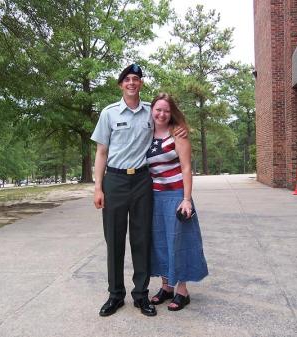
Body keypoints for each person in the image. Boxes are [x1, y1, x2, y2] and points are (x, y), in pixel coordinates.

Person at [92, 64, 173, 317]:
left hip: (141, 181)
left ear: (141, 83)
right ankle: (115, 295)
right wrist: (98, 188)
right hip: (114, 181)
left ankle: (141, 295)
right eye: (127, 79)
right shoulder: (109, 113)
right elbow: (101, 152)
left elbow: (169, 123)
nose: (131, 83)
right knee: (114, 240)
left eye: (136, 79)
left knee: (141, 239)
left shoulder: (151, 111)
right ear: (120, 85)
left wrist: (180, 130)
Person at [146, 93, 208, 311]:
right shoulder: (146, 134)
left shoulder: (177, 134)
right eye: (158, 109)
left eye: (166, 110)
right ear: (151, 110)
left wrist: (186, 199)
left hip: (176, 196)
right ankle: (166, 287)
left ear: (171, 113)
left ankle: (182, 290)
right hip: (154, 197)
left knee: (179, 243)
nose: (162, 114)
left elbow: (186, 168)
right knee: (160, 243)